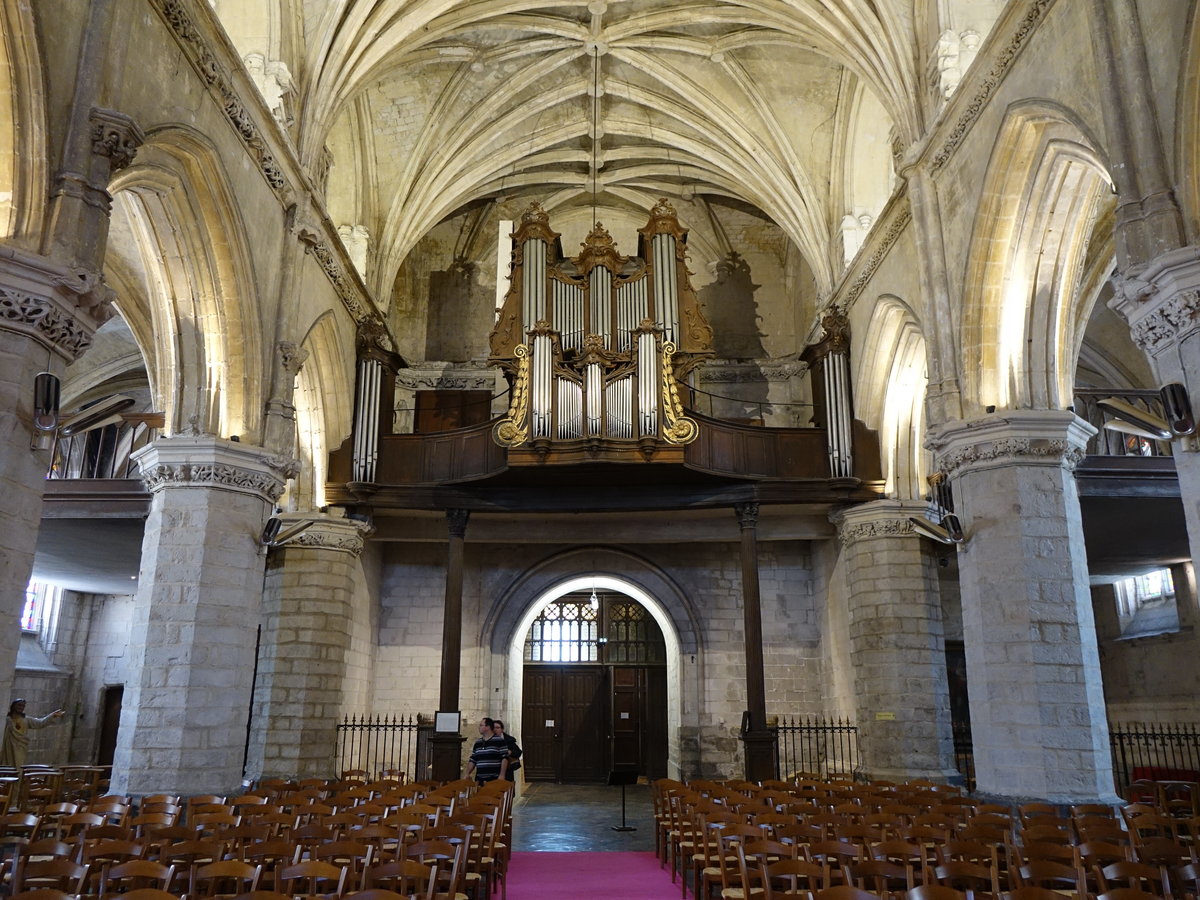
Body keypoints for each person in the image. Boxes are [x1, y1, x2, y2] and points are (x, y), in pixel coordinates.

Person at [0, 699, 65, 767]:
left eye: (23, 706)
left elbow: (40, 723)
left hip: (19, 748)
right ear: (13, 706)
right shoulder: (6, 719)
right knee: (5, 765)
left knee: (18, 766)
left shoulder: (26, 719)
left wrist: (52, 715)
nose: (21, 707)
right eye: (19, 705)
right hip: (6, 747)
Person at [465, 715, 509, 785]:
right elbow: (473, 759)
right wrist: (467, 773)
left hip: (494, 778)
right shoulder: (478, 742)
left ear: (487, 727)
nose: (479, 727)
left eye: (481, 725)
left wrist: (502, 775)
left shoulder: (499, 741)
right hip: (480, 779)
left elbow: (504, 758)